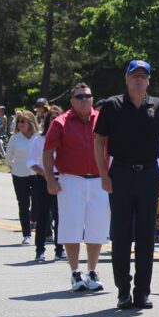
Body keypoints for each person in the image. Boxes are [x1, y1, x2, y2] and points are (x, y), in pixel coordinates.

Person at [94, 60, 159, 310]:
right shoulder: (112, 105)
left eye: (143, 76)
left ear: (149, 80)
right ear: (127, 79)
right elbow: (99, 141)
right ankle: (123, 291)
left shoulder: (158, 106)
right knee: (121, 235)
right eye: (135, 76)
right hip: (120, 173)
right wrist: (103, 174)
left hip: (149, 173)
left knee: (146, 236)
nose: (139, 80)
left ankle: (142, 292)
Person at [43, 83, 109, 293]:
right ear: (71, 100)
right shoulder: (60, 122)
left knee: (96, 228)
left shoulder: (102, 119)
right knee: (71, 227)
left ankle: (92, 271)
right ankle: (75, 272)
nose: (84, 99)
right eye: (80, 96)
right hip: (71, 180)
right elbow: (47, 152)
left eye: (88, 96)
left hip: (99, 180)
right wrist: (50, 180)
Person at [29, 105, 63, 261]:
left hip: (62, 179)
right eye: (52, 118)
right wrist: (46, 175)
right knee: (44, 214)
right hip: (43, 180)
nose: (55, 120)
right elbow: (32, 162)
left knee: (60, 215)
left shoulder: (66, 139)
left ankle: (60, 249)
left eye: (58, 117)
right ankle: (40, 250)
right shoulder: (39, 139)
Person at [5, 111, 40, 255]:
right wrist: (14, 167)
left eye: (23, 122)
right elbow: (8, 157)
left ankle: (37, 224)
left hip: (37, 174)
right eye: (19, 122)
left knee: (38, 202)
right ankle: (26, 234)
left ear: (31, 123)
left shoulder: (38, 137)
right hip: (20, 174)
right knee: (23, 204)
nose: (20, 124)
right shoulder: (15, 138)